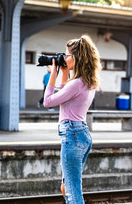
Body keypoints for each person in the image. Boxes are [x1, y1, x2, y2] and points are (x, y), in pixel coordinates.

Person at [43, 35, 101, 204]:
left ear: (76, 58)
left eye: (67, 55)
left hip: (73, 137)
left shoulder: (76, 84)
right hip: (81, 135)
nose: (64, 58)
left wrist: (52, 74)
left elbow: (48, 101)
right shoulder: (87, 81)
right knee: (66, 187)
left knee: (73, 190)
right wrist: (65, 74)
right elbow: (65, 98)